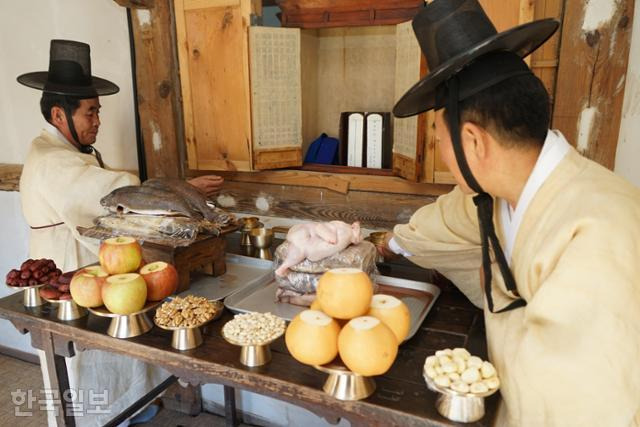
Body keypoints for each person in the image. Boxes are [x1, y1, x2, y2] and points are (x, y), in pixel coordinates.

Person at [382, 1, 640, 425]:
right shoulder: (506, 191)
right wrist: (377, 245)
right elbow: (444, 220)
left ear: (474, 142)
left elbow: (574, 403)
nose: (441, 154)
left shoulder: (600, 234)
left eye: (439, 139)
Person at [16, 39, 222, 426]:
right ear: (60, 115)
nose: (97, 121)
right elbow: (110, 196)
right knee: (88, 350)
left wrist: (176, 189)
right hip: (69, 264)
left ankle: (131, 406)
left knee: (113, 340)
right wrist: (181, 189)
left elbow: (112, 193)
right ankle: (101, 418)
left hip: (88, 262)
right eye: (90, 113)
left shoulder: (67, 152)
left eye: (98, 112)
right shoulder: (51, 159)